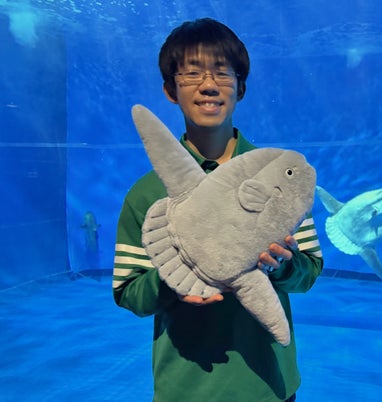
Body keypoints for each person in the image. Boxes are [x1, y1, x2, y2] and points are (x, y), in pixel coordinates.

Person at [112, 17, 323, 402]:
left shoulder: (280, 179)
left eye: (222, 72)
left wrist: (281, 265)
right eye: (192, 72)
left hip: (270, 387)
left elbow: (308, 274)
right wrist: (177, 277)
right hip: (184, 389)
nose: (208, 85)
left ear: (241, 87)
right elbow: (129, 293)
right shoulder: (146, 193)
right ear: (170, 89)